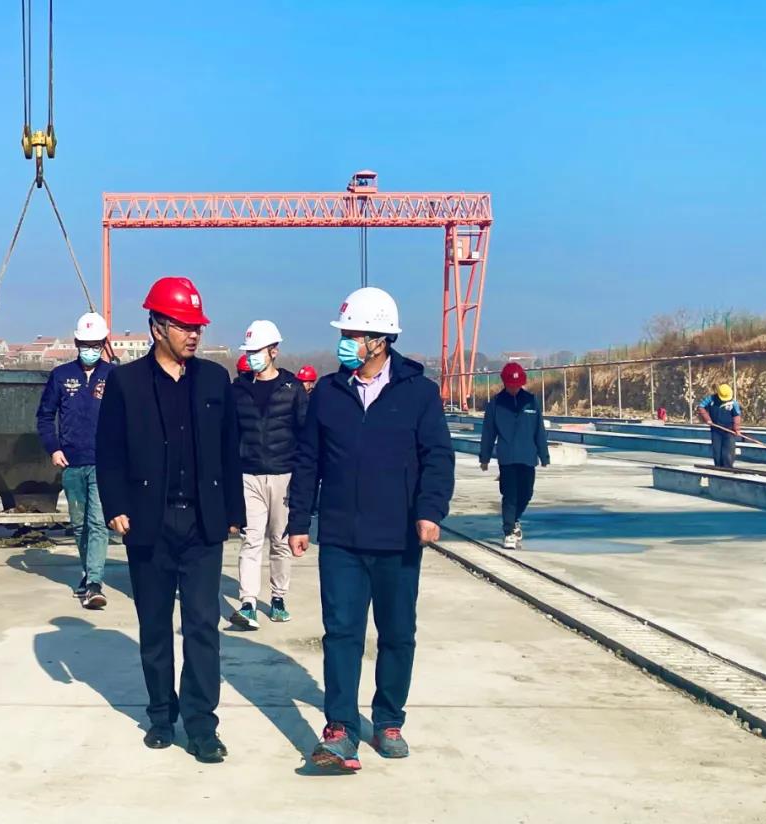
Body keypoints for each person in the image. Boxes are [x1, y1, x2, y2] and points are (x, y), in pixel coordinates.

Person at [287, 287, 454, 772]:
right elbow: (308, 460)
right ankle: (340, 728)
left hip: (398, 538)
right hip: (341, 537)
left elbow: (437, 457)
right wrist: (300, 520)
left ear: (379, 339)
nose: (346, 342)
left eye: (353, 334)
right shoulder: (328, 393)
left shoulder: (419, 394)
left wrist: (430, 511)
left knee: (397, 633)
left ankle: (388, 720)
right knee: (341, 633)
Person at [96, 276, 246, 764]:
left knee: (202, 626)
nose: (194, 334)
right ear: (157, 326)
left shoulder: (215, 380)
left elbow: (230, 449)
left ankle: (202, 726)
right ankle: (161, 715)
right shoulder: (126, 383)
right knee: (155, 626)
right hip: (148, 523)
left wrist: (233, 512)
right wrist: (116, 506)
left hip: (202, 524)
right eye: (184, 325)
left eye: (197, 326)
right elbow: (109, 451)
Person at [229, 319, 308, 630]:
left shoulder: (293, 389)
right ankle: (248, 602)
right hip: (248, 475)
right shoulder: (238, 390)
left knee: (279, 540)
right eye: (248, 352)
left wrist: (302, 479)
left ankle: (278, 598)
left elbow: (304, 435)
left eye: (257, 351)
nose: (252, 357)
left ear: (274, 350)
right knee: (251, 541)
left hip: (283, 476)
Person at [37, 311, 114, 609]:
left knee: (97, 523)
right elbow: (45, 416)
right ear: (76, 342)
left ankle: (94, 582)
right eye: (85, 344)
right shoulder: (61, 376)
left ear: (104, 343)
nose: (90, 349)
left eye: (95, 344)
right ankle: (87, 573)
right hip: (70, 463)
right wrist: (54, 448)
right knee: (80, 524)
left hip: (102, 463)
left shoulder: (114, 376)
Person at [478, 362, 550, 550]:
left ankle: (514, 519)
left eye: (517, 385)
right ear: (505, 383)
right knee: (509, 494)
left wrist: (544, 455)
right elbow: (488, 433)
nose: (514, 388)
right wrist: (484, 457)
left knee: (526, 493)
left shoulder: (531, 401)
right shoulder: (496, 404)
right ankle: (509, 531)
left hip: (528, 456)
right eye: (511, 385)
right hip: (507, 457)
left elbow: (539, 430)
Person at [698, 384, 742, 468]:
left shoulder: (733, 403)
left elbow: (736, 416)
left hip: (729, 431)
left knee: (728, 452)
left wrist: (737, 429)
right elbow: (701, 407)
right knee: (717, 451)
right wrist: (707, 419)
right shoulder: (711, 399)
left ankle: (728, 467)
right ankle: (718, 467)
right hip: (716, 430)